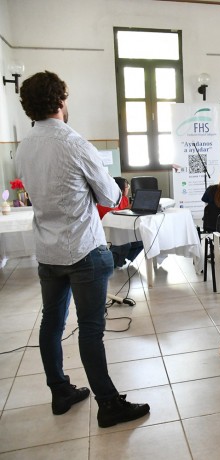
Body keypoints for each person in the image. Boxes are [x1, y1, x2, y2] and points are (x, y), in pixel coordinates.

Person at [14, 71, 149, 427]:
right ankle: (108, 404)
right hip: (83, 251)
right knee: (90, 329)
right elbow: (110, 196)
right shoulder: (74, 143)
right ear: (60, 101)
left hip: (47, 251)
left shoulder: (23, 147)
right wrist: (114, 192)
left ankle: (60, 391)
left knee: (51, 323)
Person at [96, 177, 143, 268]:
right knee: (125, 243)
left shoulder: (124, 199)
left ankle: (122, 258)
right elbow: (112, 216)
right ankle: (113, 263)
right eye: (127, 186)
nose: (128, 188)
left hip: (123, 230)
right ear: (120, 189)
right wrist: (127, 209)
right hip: (109, 232)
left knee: (140, 239)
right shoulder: (105, 201)